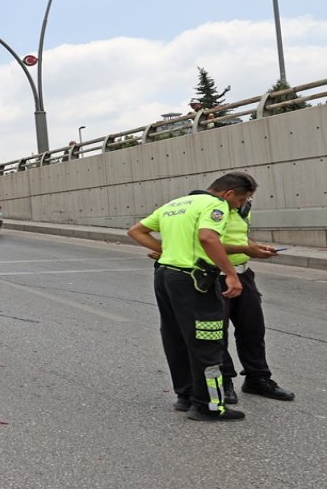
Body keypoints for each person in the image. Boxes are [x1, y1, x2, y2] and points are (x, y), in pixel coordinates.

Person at [127, 171, 256, 422]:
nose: (240, 206)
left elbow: (136, 231)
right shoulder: (215, 205)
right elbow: (208, 237)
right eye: (241, 200)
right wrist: (230, 274)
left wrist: (165, 250)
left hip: (165, 276)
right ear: (228, 193)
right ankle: (208, 405)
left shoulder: (175, 204)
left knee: (175, 336)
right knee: (208, 339)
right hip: (193, 280)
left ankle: (185, 396)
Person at [216, 198, 296, 403]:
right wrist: (244, 249)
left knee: (253, 329)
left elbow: (240, 239)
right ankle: (224, 382)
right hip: (215, 276)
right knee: (217, 333)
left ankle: (257, 378)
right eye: (244, 197)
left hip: (243, 273)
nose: (247, 201)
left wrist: (256, 247)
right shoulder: (212, 210)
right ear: (230, 193)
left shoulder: (242, 211)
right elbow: (207, 242)